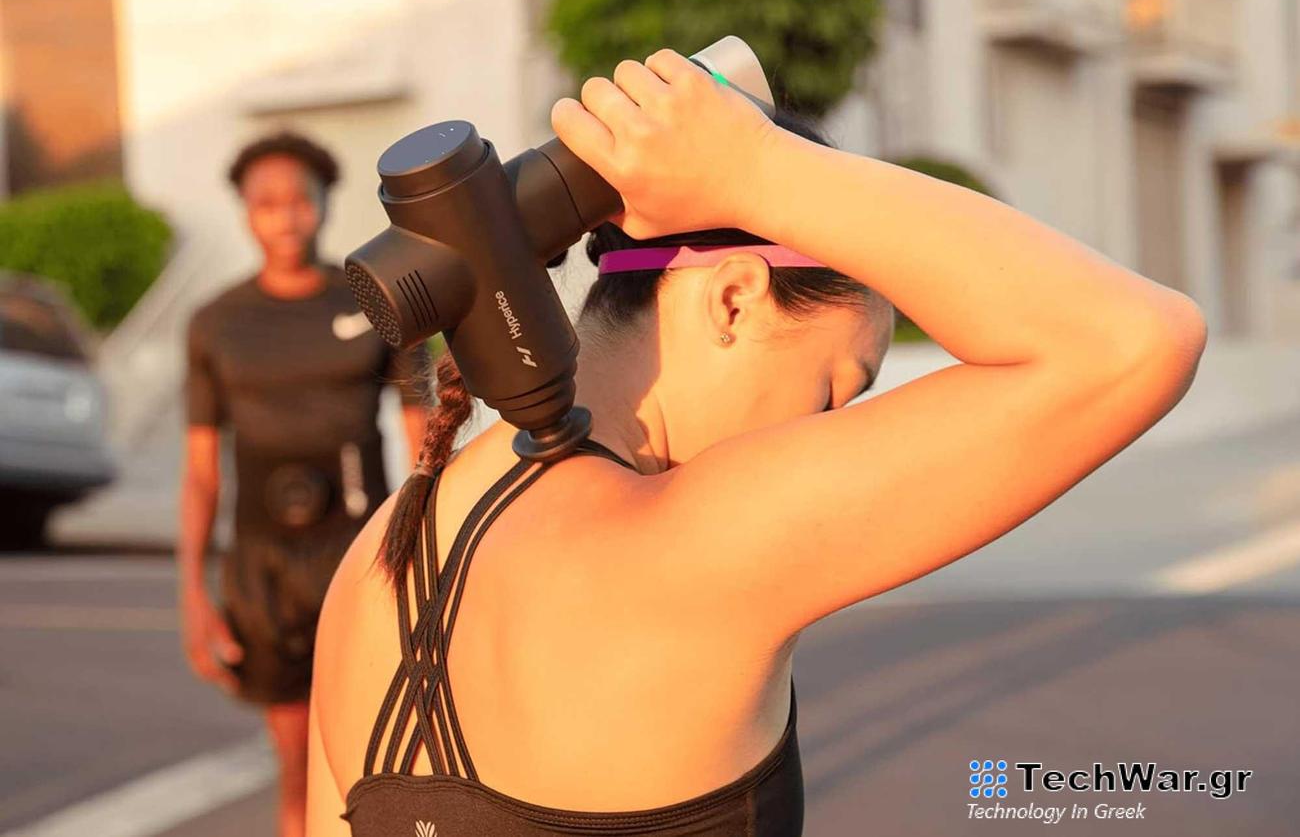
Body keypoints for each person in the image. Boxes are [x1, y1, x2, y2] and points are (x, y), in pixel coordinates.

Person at [305, 50, 1206, 836]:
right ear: (733, 298)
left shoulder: (382, 555)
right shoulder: (693, 542)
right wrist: (752, 166)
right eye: (833, 390)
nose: (829, 438)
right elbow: (1136, 341)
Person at [178, 130, 432, 837]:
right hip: (264, 568)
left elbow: (425, 442)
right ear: (244, 212)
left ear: (324, 204)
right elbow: (200, 473)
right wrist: (195, 592)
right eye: (266, 203)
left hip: (365, 555)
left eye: (300, 200)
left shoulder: (376, 294)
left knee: (376, 757)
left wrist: (426, 554)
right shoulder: (215, 324)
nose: (285, 216)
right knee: (297, 764)